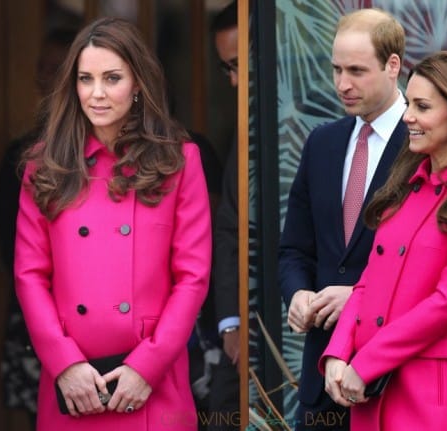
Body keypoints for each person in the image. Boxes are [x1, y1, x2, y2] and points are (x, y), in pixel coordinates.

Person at [14, 16, 212, 431]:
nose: (97, 93)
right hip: (73, 387)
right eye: (85, 79)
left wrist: (148, 366)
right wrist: (64, 364)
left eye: (112, 78)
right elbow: (30, 275)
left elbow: (192, 276)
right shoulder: (44, 164)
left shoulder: (178, 160)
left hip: (151, 384)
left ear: (138, 83)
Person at [320, 50, 447, 431]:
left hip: (437, 399)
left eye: (422, 106)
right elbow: (368, 282)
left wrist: (364, 363)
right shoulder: (406, 183)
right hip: (372, 390)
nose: (408, 115)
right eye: (408, 101)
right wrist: (337, 352)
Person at [278, 8, 407, 431]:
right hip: (321, 381)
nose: (342, 84)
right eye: (336, 69)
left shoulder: (423, 144)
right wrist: (297, 294)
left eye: (356, 70)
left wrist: (357, 294)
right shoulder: (322, 143)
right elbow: (294, 248)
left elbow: (431, 274)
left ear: (393, 66)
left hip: (396, 378)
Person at [0, 28, 77, 426]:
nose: (47, 77)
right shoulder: (22, 157)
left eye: (56, 68)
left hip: (89, 319)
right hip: (33, 308)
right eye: (42, 68)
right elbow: (11, 250)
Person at [204, 1, 241, 429]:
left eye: (238, 65)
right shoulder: (242, 125)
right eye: (224, 69)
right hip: (246, 327)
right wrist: (230, 320)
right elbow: (230, 222)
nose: (232, 81)